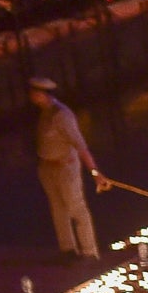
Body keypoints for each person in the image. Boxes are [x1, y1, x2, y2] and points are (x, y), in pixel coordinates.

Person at [28, 78, 100, 261]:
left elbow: (80, 145)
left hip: (65, 167)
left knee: (76, 208)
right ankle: (67, 249)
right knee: (58, 209)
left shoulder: (62, 115)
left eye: (34, 93)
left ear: (43, 94)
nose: (31, 96)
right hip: (48, 168)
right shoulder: (44, 113)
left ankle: (89, 251)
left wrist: (95, 172)